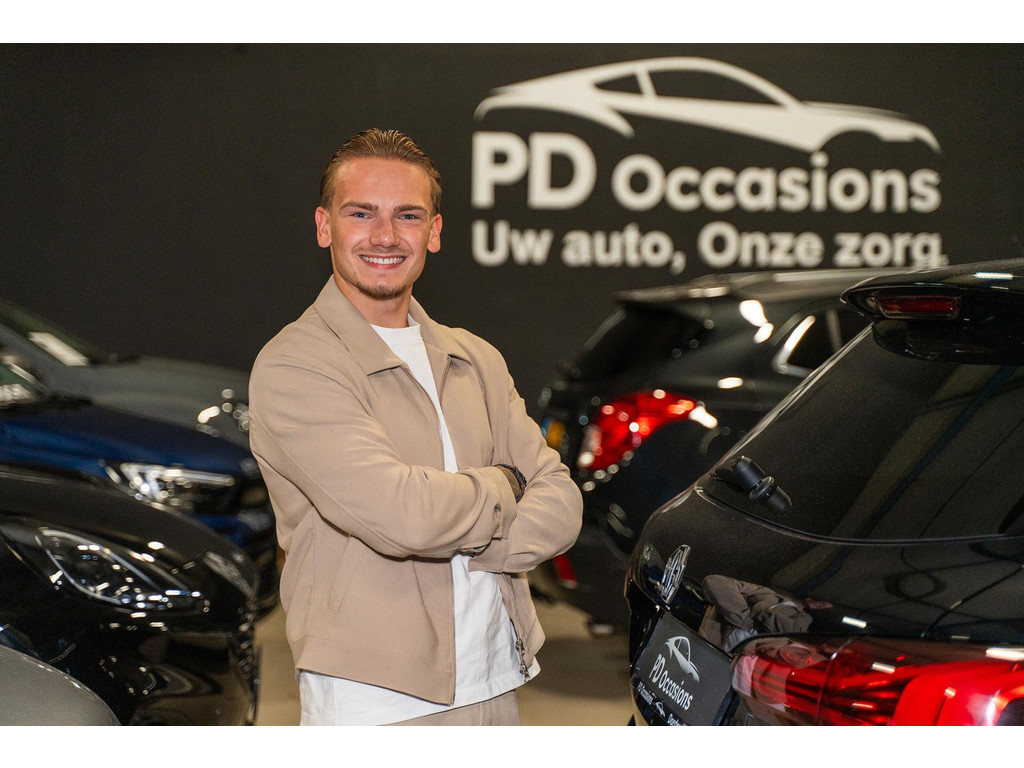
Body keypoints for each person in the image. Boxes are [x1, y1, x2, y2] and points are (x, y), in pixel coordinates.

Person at [248, 128, 583, 726]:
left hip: (497, 679)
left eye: (407, 215)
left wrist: (462, 534)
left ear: (434, 232)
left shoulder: (475, 357)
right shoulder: (295, 365)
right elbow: (403, 516)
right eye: (361, 213)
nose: (385, 235)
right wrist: (506, 485)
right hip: (374, 700)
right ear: (324, 226)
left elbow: (561, 502)